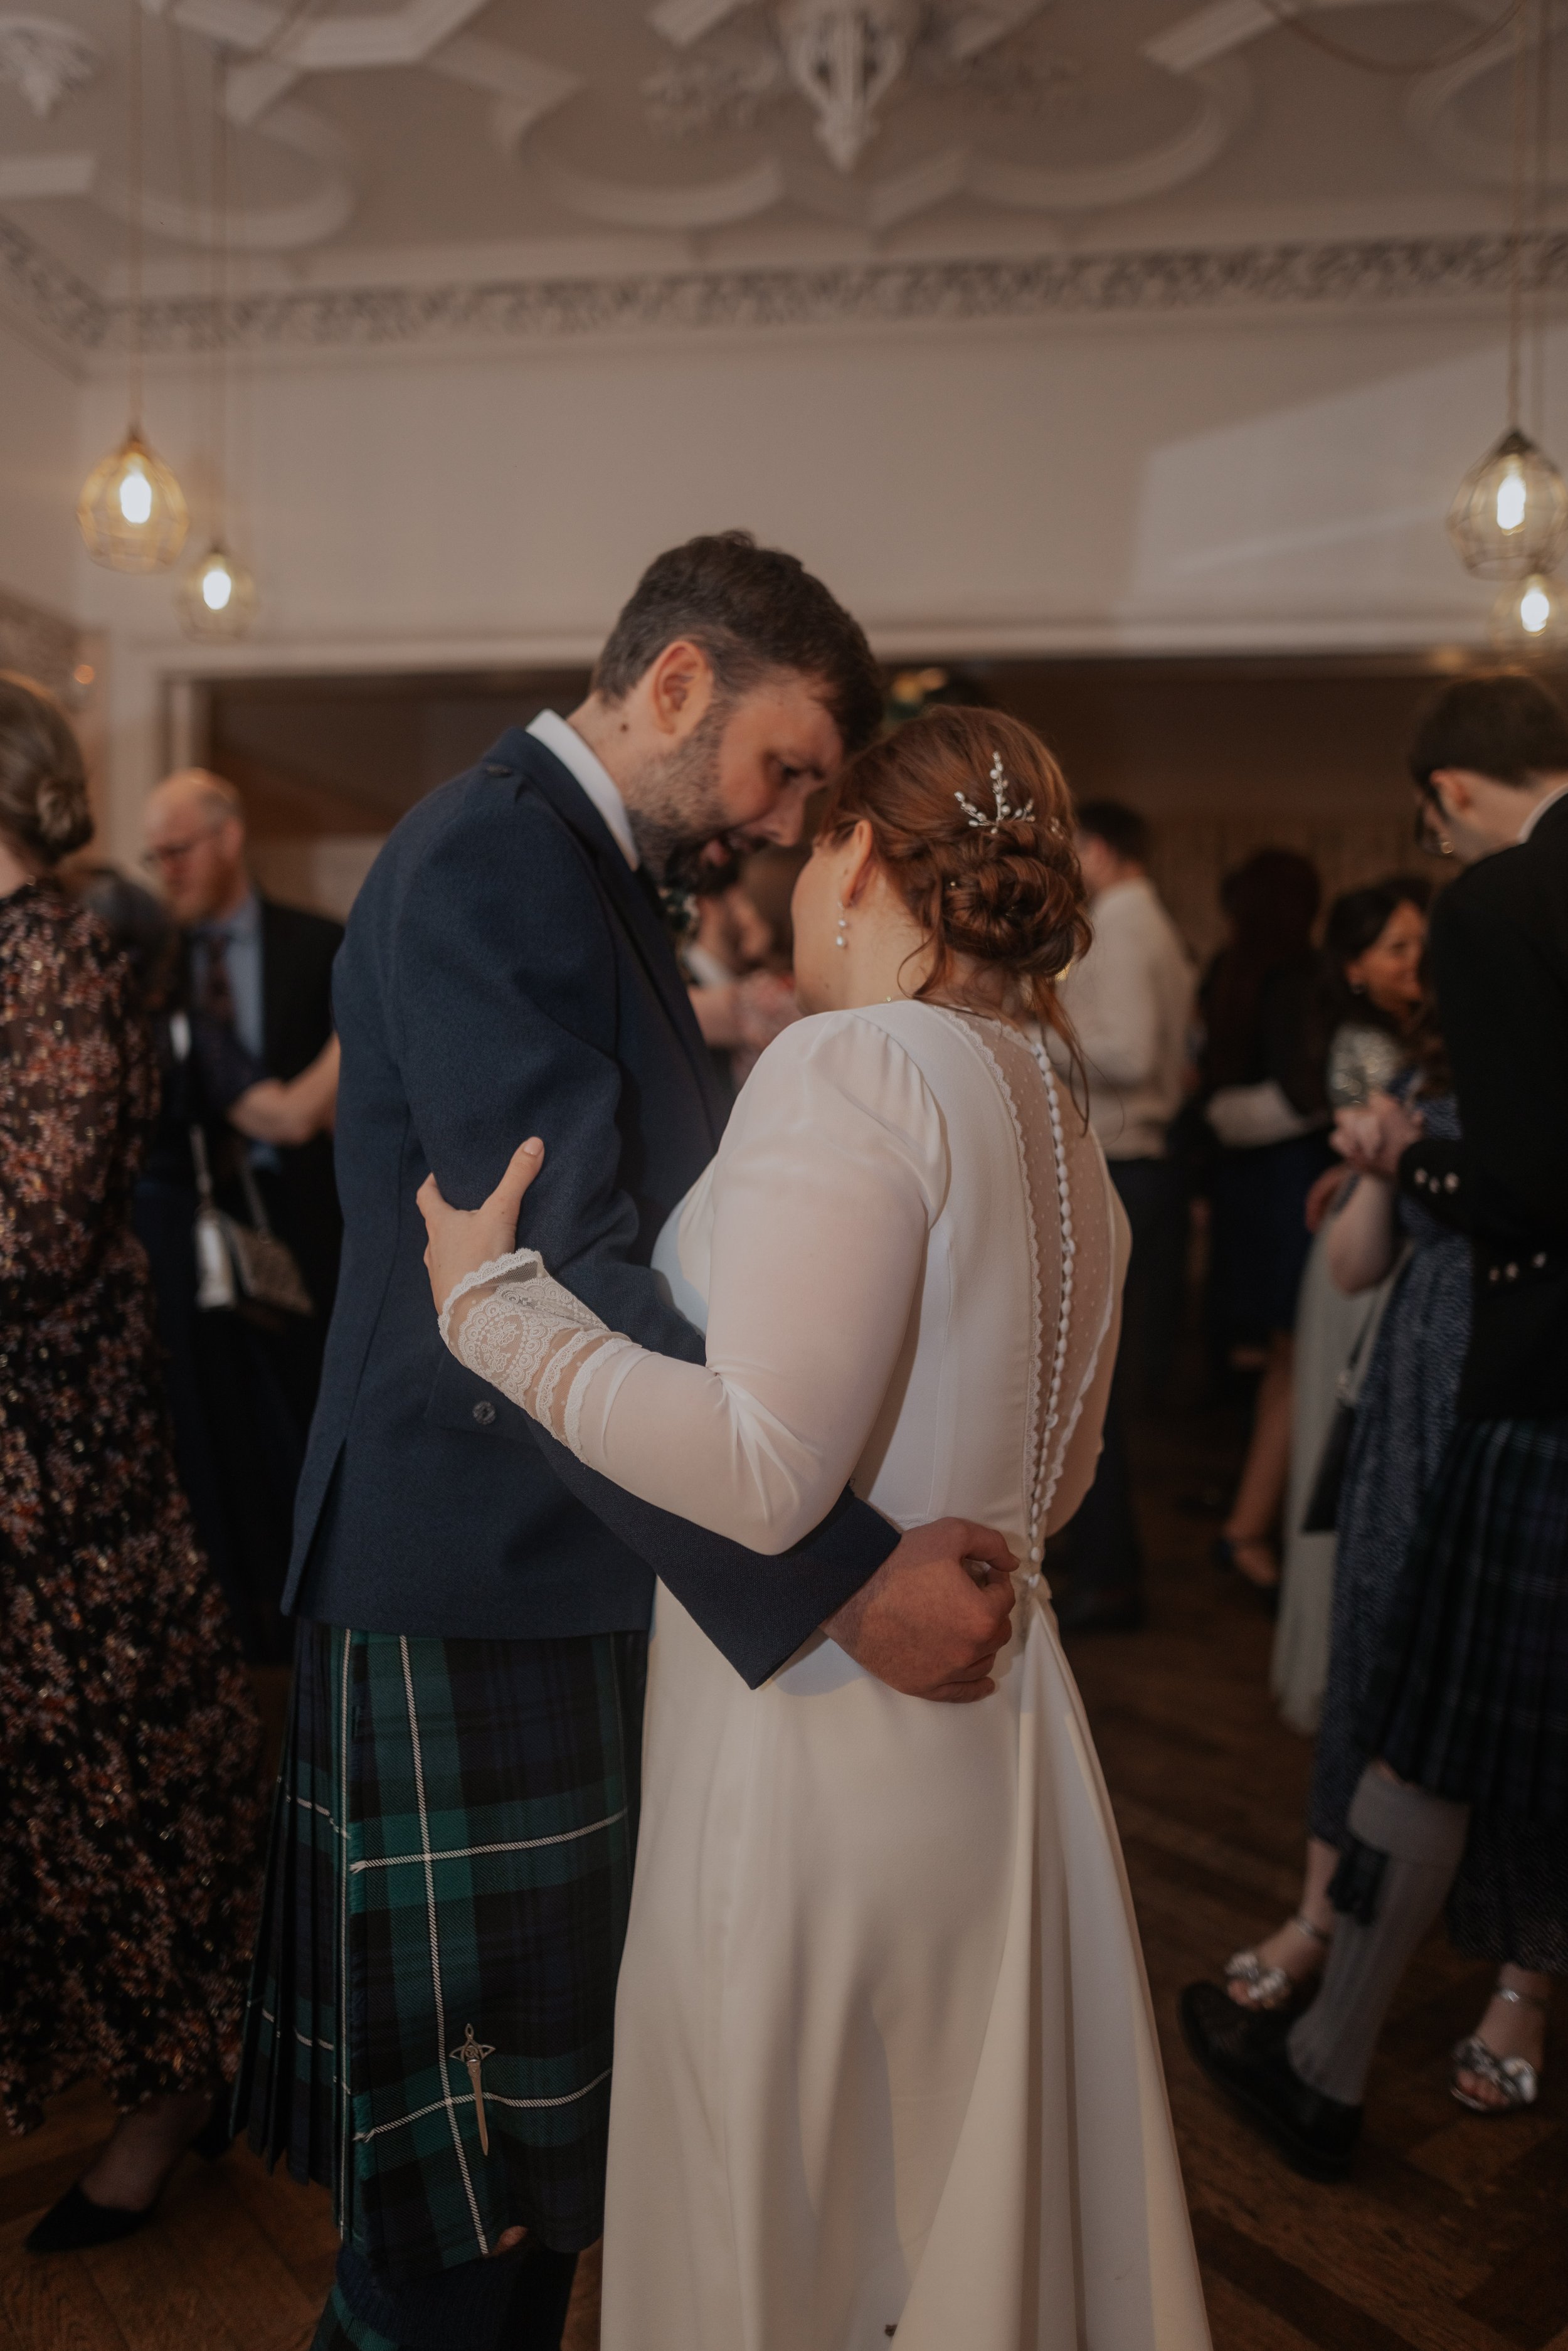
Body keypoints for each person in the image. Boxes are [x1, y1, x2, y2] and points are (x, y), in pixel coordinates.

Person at [235, 536, 1024, 2351]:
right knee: (473, 2214)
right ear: (676, 684)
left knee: (525, 2193)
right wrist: (837, 1582)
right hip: (476, 1572)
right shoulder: (496, 855)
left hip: (550, 1558)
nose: (788, 819)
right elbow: (559, 1275)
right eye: (789, 768)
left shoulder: (566, 862)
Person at [420, 706, 1211, 2351]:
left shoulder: (857, 1062)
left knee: (782, 2218)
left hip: (819, 1753)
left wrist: (497, 1315)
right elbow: (1048, 1497)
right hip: (998, 1746)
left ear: (854, 850)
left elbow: (765, 1468)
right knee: (933, 2205)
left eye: (802, 844)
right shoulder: (1057, 1109)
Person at [1182, 671, 1568, 2177]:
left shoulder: (1500, 905)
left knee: (1434, 1719)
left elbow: (1530, 1190)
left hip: (1540, 1377)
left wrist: (1418, 1159)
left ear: (1450, 796)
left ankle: (1333, 2070)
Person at [0, 674, 268, 2251]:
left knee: (107, 1771)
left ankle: (176, 2087)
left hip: (55, 1452)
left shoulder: (60, 962)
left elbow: (30, 1231)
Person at [140, 770, 342, 1660]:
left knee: (308, 1429)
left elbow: (299, 1119)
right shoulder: (154, 971)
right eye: (153, 858)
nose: (166, 871)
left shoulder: (323, 946)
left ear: (228, 837)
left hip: (310, 1231)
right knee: (224, 1447)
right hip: (192, 1252)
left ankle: (317, 1612)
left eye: (177, 850)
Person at [1271, 879, 1429, 1735]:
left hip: (1377, 1233)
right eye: (1398, 948)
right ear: (1356, 965)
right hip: (1362, 1250)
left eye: (1422, 947)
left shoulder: (1413, 1040)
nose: (1416, 964)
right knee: (1339, 1453)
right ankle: (1327, 1669)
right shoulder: (1370, 1043)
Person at [1048, 798, 1194, 1633]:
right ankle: (1097, 1553)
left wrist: (1042, 1022)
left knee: (1098, 1383)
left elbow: (1133, 1053)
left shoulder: (1128, 925)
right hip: (1138, 1163)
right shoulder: (1140, 919)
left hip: (1130, 1163)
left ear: (1097, 849)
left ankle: (1112, 1577)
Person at [1200, 849, 1333, 1597]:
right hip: (1290, 1179)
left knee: (1280, 1353)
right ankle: (1252, 1527)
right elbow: (1304, 1088)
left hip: (1246, 1179)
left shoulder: (1230, 969)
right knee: (1296, 1355)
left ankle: (1250, 1513)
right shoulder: (1299, 975)